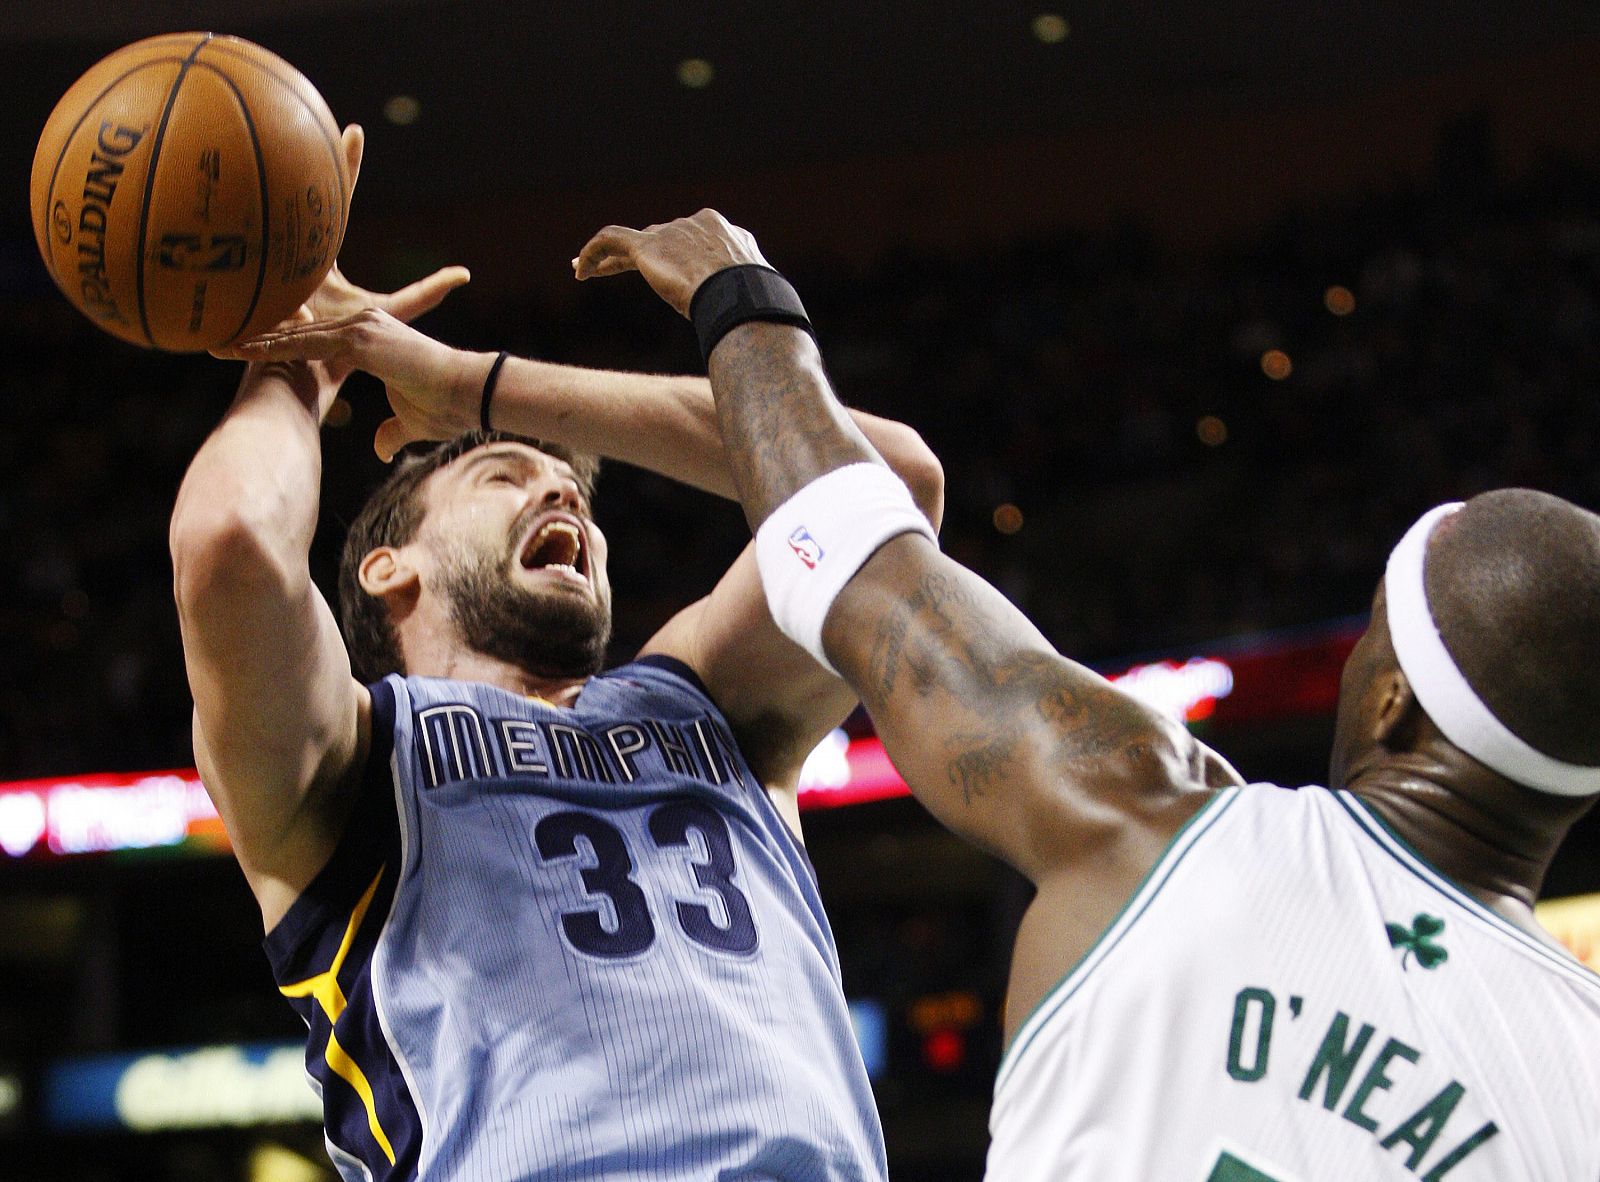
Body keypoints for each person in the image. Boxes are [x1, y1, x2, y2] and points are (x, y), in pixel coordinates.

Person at [569, 209, 1600, 1181]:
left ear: (1393, 708)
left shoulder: (1153, 820)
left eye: (1373, 629)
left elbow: (847, 553)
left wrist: (737, 298)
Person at [174, 134, 943, 1180]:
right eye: (501, 474)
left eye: (572, 485)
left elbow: (887, 487)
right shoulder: (350, 762)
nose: (562, 493)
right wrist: (301, 365)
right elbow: (228, 546)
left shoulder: (705, 702)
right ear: (386, 569)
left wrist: (476, 386)